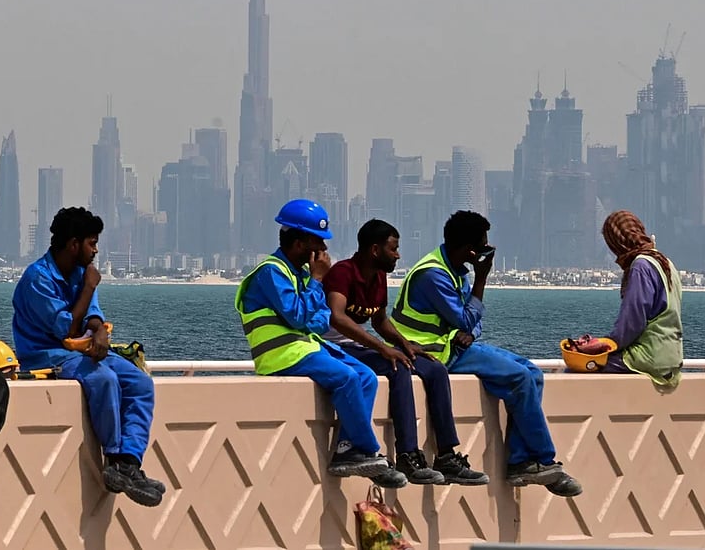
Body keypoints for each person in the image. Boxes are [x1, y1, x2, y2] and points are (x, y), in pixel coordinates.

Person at [391, 210, 582, 497]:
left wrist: (471, 331)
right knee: (519, 378)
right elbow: (467, 316)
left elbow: (472, 321)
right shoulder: (433, 275)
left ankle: (520, 460)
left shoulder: (455, 270)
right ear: (470, 250)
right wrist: (482, 278)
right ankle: (544, 459)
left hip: (455, 344)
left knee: (532, 373)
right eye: (484, 244)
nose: (487, 249)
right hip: (435, 354)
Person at [236, 199, 401, 483]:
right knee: (346, 377)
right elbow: (300, 317)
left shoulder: (300, 274)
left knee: (366, 377)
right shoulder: (272, 272)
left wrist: (310, 293)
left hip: (306, 347)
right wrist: (316, 281)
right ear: (299, 243)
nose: (324, 251)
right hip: (281, 355)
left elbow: (321, 318)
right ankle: (371, 451)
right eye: (319, 242)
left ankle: (347, 450)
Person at [12, 207, 164, 507]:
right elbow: (65, 328)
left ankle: (129, 463)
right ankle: (113, 458)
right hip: (48, 355)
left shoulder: (82, 273)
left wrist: (99, 333)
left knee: (139, 383)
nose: (95, 250)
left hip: (81, 349)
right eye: (92, 243)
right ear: (73, 244)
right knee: (104, 379)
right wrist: (90, 287)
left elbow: (91, 315)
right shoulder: (37, 279)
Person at [322, 219, 488, 487]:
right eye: (393, 249)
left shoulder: (378, 276)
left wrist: (404, 344)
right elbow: (337, 318)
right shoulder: (343, 273)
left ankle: (446, 455)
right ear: (375, 250)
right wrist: (383, 348)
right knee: (397, 368)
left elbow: (379, 321)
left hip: (359, 345)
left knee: (434, 369)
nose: (398, 255)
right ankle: (408, 455)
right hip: (335, 346)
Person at [597, 210, 683, 390]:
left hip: (648, 357)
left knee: (587, 366)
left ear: (618, 240)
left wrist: (606, 344)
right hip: (671, 357)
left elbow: (632, 321)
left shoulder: (641, 266)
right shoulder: (666, 263)